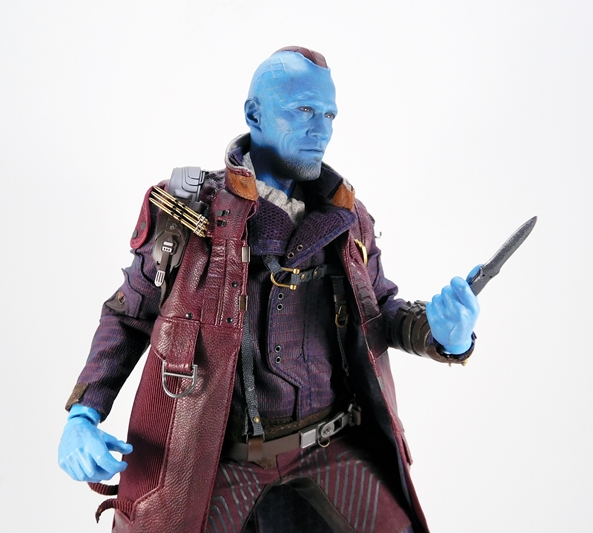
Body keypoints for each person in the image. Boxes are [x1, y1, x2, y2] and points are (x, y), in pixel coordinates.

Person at [58, 46, 480, 533]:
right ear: (254, 114)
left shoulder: (347, 219)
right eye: (303, 110)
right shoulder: (187, 213)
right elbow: (128, 315)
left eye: (329, 115)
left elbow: (380, 308)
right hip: (216, 460)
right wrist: (83, 415)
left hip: (330, 446)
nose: (320, 129)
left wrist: (442, 335)